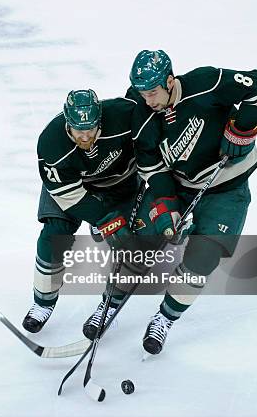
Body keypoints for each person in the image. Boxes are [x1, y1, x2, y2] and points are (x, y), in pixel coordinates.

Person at [127, 50, 257, 355]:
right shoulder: (143, 116)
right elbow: (152, 169)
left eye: (153, 92)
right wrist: (167, 208)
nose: (148, 101)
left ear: (170, 81)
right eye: (142, 94)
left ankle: (165, 318)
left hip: (226, 187)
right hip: (181, 187)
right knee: (141, 235)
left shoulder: (206, 82)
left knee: (203, 258)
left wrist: (242, 129)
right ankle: (110, 303)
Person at [22, 89, 156, 340]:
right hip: (72, 189)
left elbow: (153, 131)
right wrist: (107, 221)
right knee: (52, 237)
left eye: (91, 129)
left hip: (121, 184)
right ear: (67, 123)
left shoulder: (124, 115)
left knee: (128, 247)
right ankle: (43, 302)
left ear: (100, 120)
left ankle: (109, 306)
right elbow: (70, 197)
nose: (85, 136)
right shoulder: (51, 143)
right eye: (78, 131)